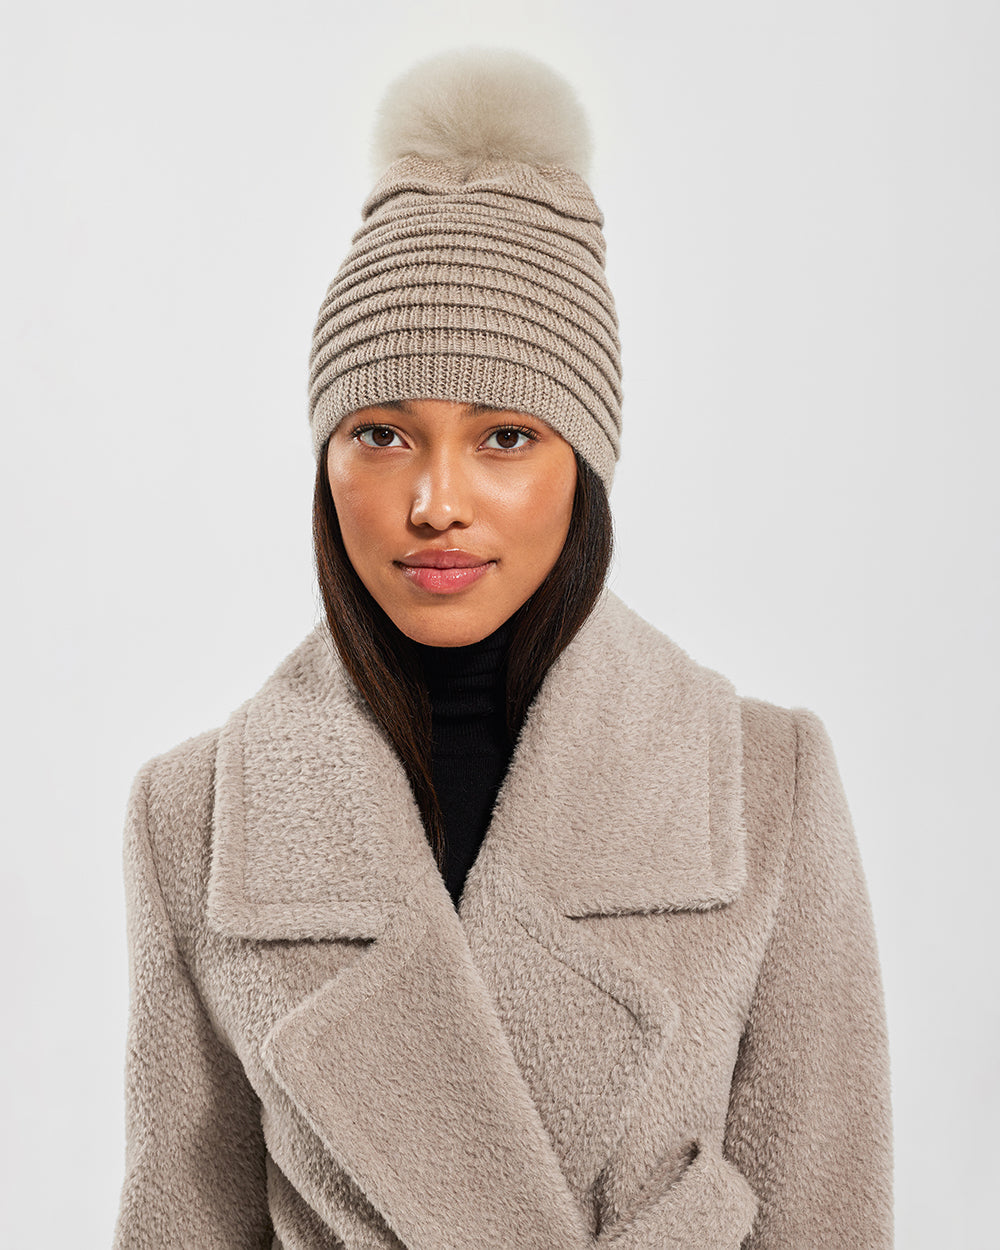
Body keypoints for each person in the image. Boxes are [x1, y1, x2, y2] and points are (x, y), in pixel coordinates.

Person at [111, 46, 893, 1250]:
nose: (436, 500)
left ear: (582, 467)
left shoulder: (759, 783)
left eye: (505, 436)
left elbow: (832, 1210)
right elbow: (180, 1220)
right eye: (379, 432)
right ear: (324, 463)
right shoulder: (201, 819)